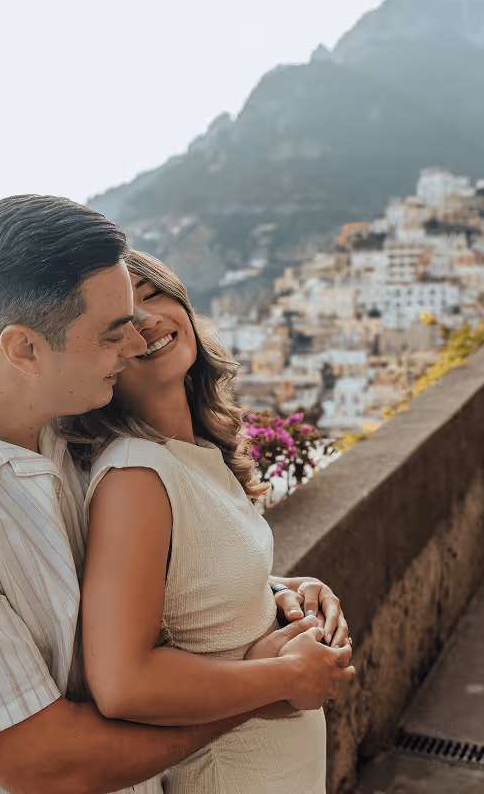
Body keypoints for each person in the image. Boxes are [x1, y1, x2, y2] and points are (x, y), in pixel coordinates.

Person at [0, 195, 352, 794]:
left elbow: (146, 577)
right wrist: (267, 687)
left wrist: (270, 593)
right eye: (110, 334)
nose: (133, 345)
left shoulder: (66, 429)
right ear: (24, 349)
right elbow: (45, 765)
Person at [59, 250, 355, 793]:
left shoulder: (195, 452)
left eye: (154, 295)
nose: (149, 320)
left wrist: (282, 590)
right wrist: (288, 675)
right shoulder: (136, 473)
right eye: (123, 318)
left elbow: (190, 586)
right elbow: (123, 684)